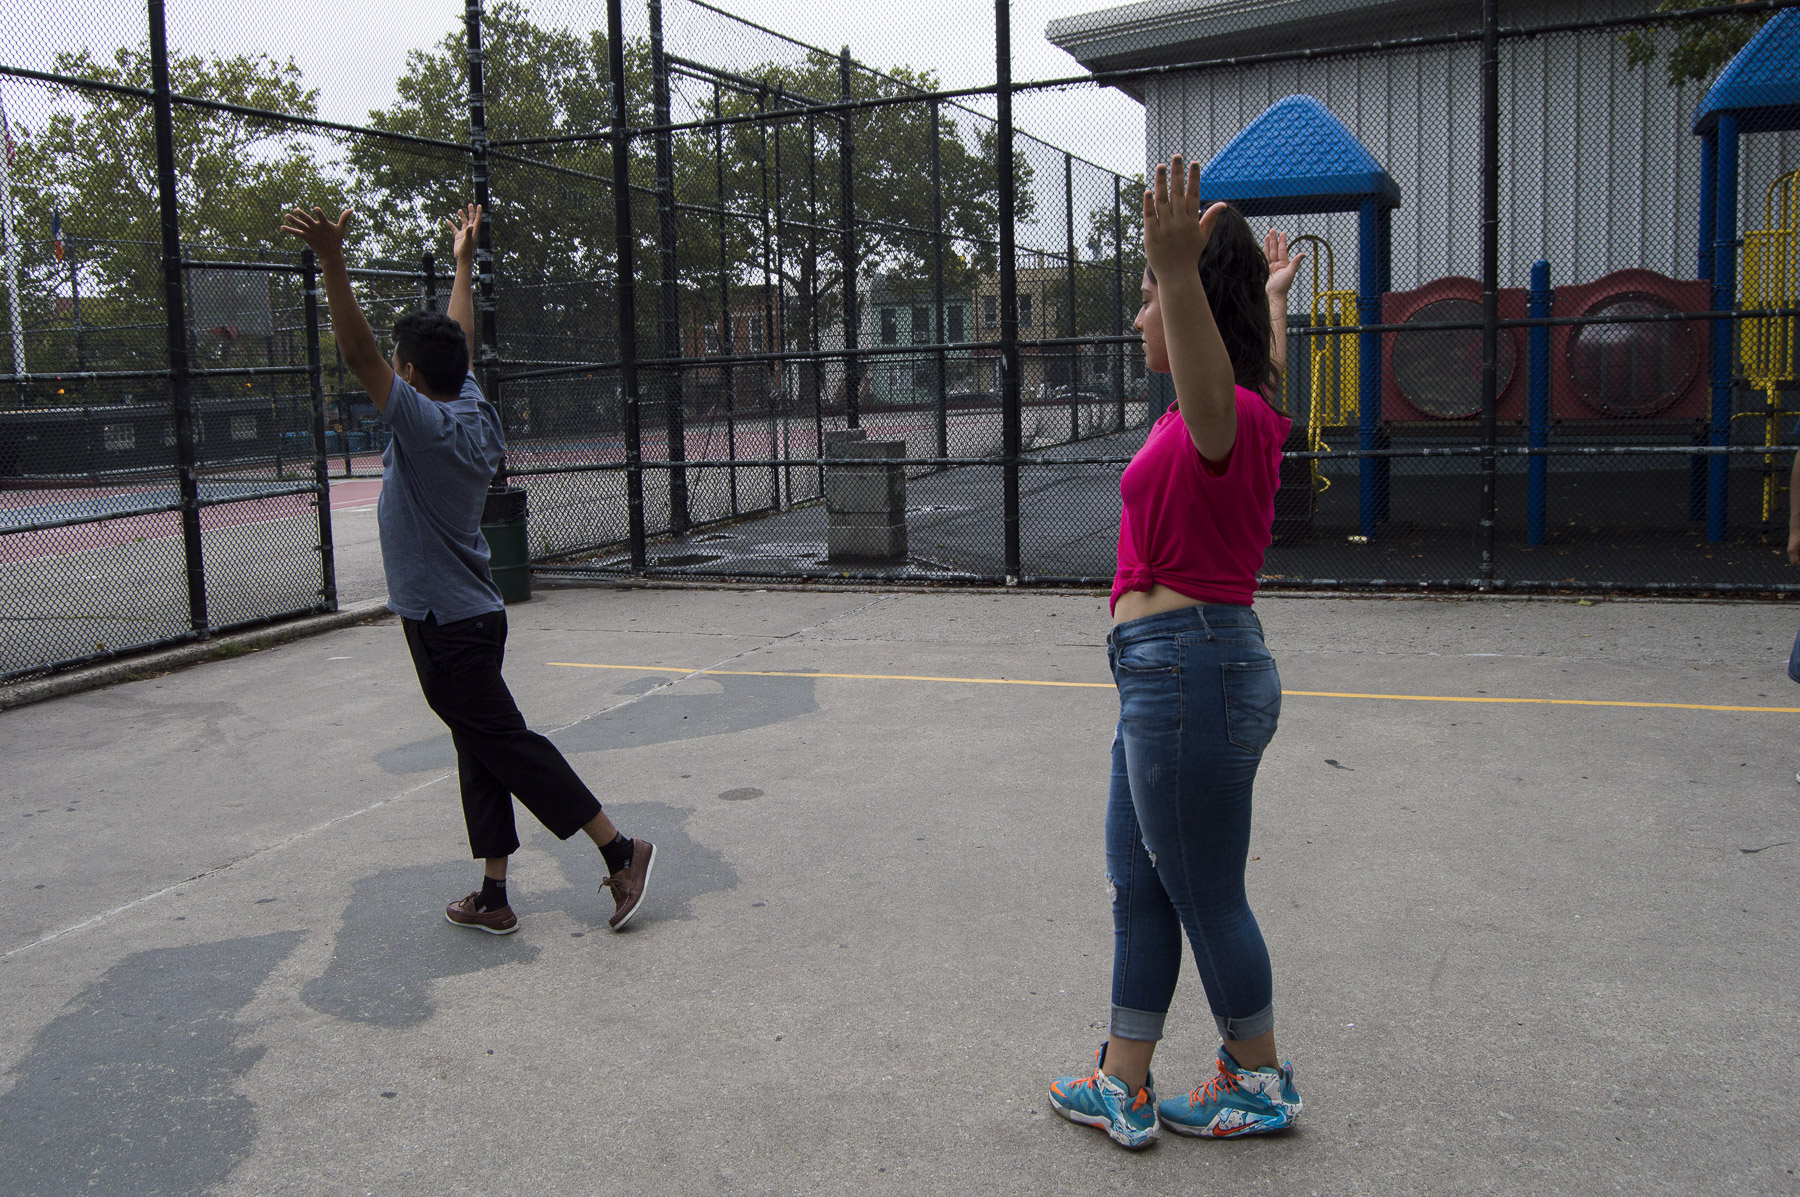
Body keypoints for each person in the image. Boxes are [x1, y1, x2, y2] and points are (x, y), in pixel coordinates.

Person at [281, 202, 655, 934]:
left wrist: (332, 262)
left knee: (505, 743)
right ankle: (493, 893)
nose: (388, 369)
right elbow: (461, 341)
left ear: (411, 376)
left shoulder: (420, 426)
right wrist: (461, 263)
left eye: (398, 364)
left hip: (446, 624)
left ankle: (620, 849)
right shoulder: (471, 407)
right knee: (480, 744)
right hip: (472, 615)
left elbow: (359, 356)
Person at [1048, 156, 1303, 1148]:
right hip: (1169, 675)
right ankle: (1124, 1081)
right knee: (1142, 882)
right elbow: (1245, 351)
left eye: (1149, 297)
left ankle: (1259, 1079)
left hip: (1189, 672)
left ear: (1191, 302)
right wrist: (1270, 298)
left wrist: (1178, 266)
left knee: (1206, 892)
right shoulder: (1249, 402)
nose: (1142, 316)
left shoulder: (1222, 417)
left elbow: (1211, 360)